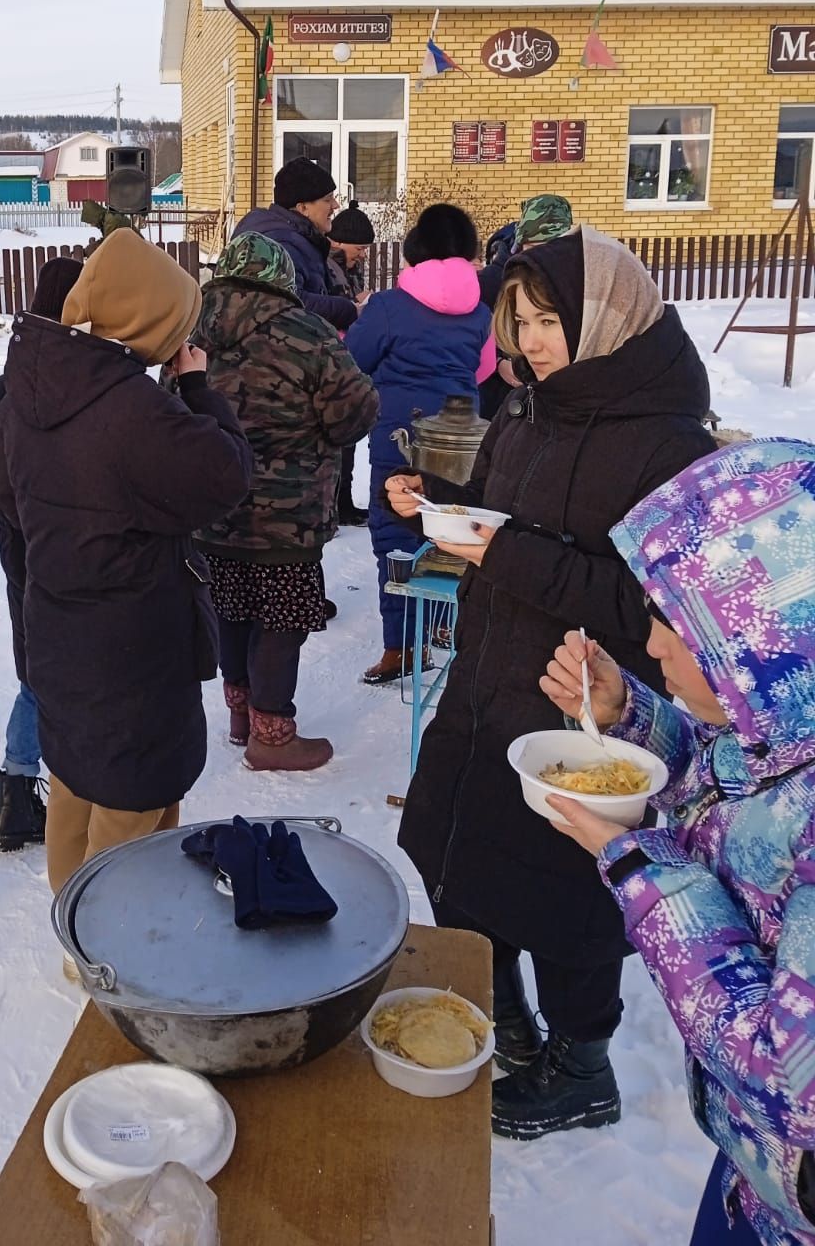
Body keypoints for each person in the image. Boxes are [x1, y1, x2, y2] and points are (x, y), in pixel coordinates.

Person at [385, 225, 713, 1137]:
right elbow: (496, 517)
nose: (529, 339)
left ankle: (582, 1064)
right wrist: (440, 509)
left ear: (604, 315)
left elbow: (647, 603)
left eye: (549, 318)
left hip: (588, 707)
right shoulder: (532, 410)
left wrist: (506, 552)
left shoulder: (669, 440)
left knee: (569, 895)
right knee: (455, 855)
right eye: (518, 318)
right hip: (489, 678)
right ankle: (516, 1030)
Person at [540, 440, 815, 1246]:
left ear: (765, 638)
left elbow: (794, 1089)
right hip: (755, 1179)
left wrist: (645, 872)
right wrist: (629, 714)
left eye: (677, 625)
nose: (653, 643)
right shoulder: (785, 722)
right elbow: (736, 784)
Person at [0, 228, 252, 915]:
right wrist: (195, 385)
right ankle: (108, 937)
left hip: (56, 620)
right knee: (135, 794)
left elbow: (8, 493)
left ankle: (70, 905)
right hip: (132, 638)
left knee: (76, 770)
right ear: (147, 321)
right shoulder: (131, 409)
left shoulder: (34, 383)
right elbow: (225, 475)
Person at [191, 232, 378, 772]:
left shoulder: (194, 329)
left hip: (215, 500)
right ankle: (272, 735)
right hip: (289, 511)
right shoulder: (308, 332)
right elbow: (354, 413)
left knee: (231, 606)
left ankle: (241, 715)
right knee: (282, 616)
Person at [347, 205, 494, 686]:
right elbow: (484, 369)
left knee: (394, 536)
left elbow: (355, 359)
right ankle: (445, 629)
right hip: (460, 432)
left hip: (400, 434)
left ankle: (401, 648)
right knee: (451, 532)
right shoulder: (481, 310)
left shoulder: (389, 305)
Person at [0, 255, 83, 852]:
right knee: (59, 672)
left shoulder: (9, 378)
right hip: (56, 549)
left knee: (36, 668)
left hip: (20, 547)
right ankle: (42, 794)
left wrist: (12, 513)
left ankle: (18, 791)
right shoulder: (79, 377)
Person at [232, 159, 360, 331]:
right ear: (303, 208)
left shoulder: (297, 236)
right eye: (328, 199)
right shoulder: (281, 243)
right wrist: (347, 310)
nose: (335, 205)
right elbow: (288, 303)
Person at [478, 194, 575, 419]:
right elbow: (471, 332)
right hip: (502, 401)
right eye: (536, 246)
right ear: (521, 244)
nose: (544, 256)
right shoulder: (493, 281)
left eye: (553, 247)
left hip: (557, 398)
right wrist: (497, 363)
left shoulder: (574, 280)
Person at [327, 199, 376, 526]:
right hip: (330, 361)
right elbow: (327, 308)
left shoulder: (349, 268)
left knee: (347, 439)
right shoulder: (326, 267)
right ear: (339, 241)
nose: (363, 253)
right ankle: (336, 506)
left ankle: (342, 504)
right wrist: (354, 306)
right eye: (359, 246)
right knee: (337, 440)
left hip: (347, 360)